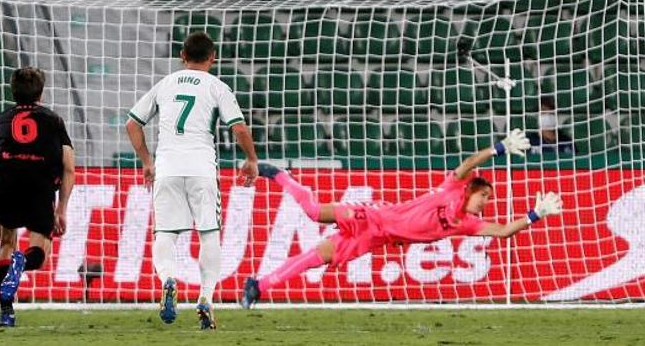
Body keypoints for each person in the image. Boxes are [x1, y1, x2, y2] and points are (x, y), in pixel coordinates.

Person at [241, 129, 563, 308]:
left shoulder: (467, 224)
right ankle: (281, 176)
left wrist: (536, 214)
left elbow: (505, 231)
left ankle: (259, 286)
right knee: (313, 212)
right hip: (372, 215)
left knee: (315, 258)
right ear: (472, 190)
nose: (486, 203)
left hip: (374, 238)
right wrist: (500, 148)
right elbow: (468, 162)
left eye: (489, 200)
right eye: (485, 196)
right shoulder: (452, 187)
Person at [126, 32, 259, 330]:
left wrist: (148, 161)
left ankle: (168, 279)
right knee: (209, 233)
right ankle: (206, 299)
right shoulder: (218, 87)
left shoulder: (165, 84)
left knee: (165, 233)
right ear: (213, 58)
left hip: (168, 167)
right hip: (201, 168)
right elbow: (238, 129)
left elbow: (132, 123)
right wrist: (251, 160)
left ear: (182, 56)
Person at [0, 67, 75, 327]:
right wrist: (61, 209)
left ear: (13, 91)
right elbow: (69, 167)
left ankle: (6, 312)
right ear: (41, 92)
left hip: (6, 185)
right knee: (38, 251)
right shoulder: (54, 121)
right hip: (40, 187)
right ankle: (22, 264)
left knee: (7, 243)